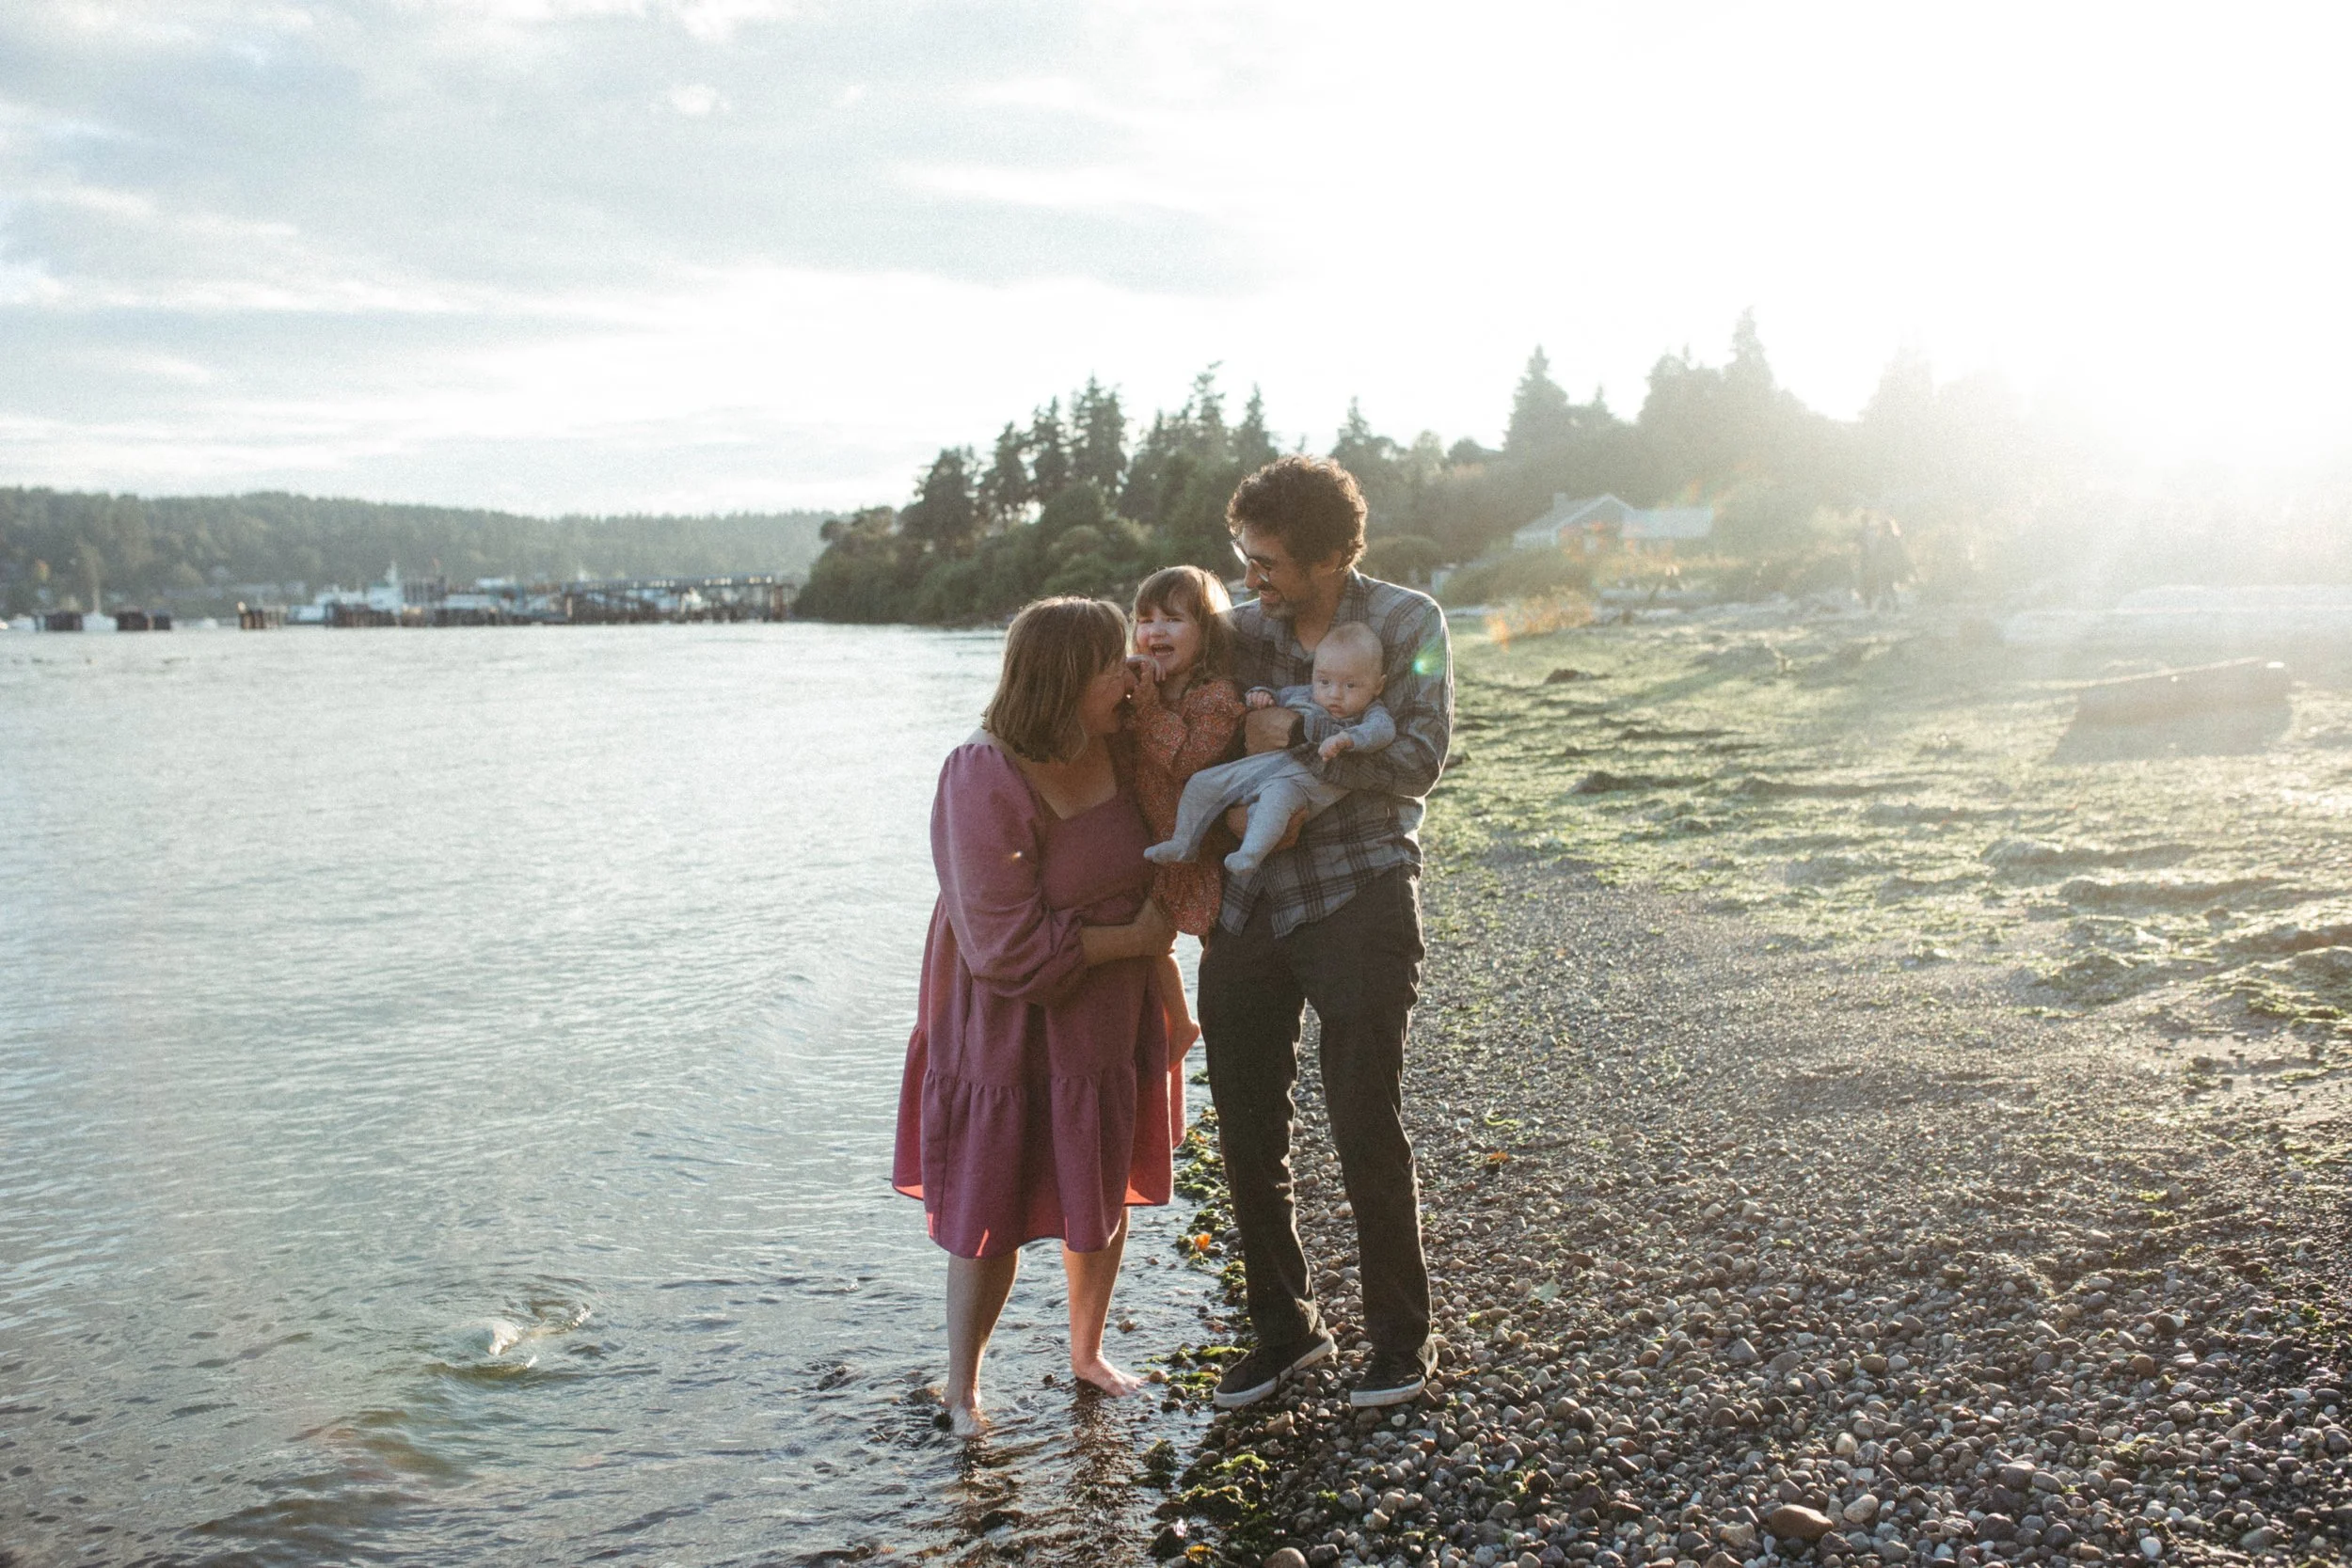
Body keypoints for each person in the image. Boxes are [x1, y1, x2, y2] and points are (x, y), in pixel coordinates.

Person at [891, 596, 1184, 1437]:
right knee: (995, 1207)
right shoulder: (982, 772)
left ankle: (1086, 1350)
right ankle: (963, 1389)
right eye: (1111, 667)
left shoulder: (1119, 744)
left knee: (1097, 1182)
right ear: (1061, 680)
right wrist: (1132, 936)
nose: (1128, 676)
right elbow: (1003, 947)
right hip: (1007, 1025)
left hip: (1106, 1015)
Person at [1197, 455, 1452, 1412]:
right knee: (1245, 1126)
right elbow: (1200, 742)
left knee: (1361, 1118)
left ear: (1333, 556)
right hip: (1250, 900)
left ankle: (1399, 1340)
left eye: (1267, 564)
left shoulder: (1408, 621)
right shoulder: (1236, 633)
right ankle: (1284, 1331)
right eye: (1243, 558)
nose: (1251, 579)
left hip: (1360, 892)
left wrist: (1293, 744)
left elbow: (1420, 758)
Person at [1144, 623, 1395, 875]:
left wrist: (1349, 739)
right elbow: (1278, 696)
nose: (1335, 694)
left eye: (1351, 685)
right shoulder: (1306, 695)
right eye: (1325, 681)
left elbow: (1383, 731)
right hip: (1264, 766)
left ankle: (1249, 855)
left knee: (1275, 803)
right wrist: (1261, 696)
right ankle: (1183, 843)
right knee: (1202, 782)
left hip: (1302, 785)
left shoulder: (1371, 712)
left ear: (1378, 685)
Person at [1127, 566, 1249, 1055]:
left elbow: (1184, 759)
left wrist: (1149, 706)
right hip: (1155, 842)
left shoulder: (1217, 696)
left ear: (1207, 631)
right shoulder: (1139, 688)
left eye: (1173, 619)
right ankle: (1180, 1021)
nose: (1155, 630)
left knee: (1215, 948)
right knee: (1153, 940)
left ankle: (1219, 1025)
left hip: (1205, 848)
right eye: (1144, 618)